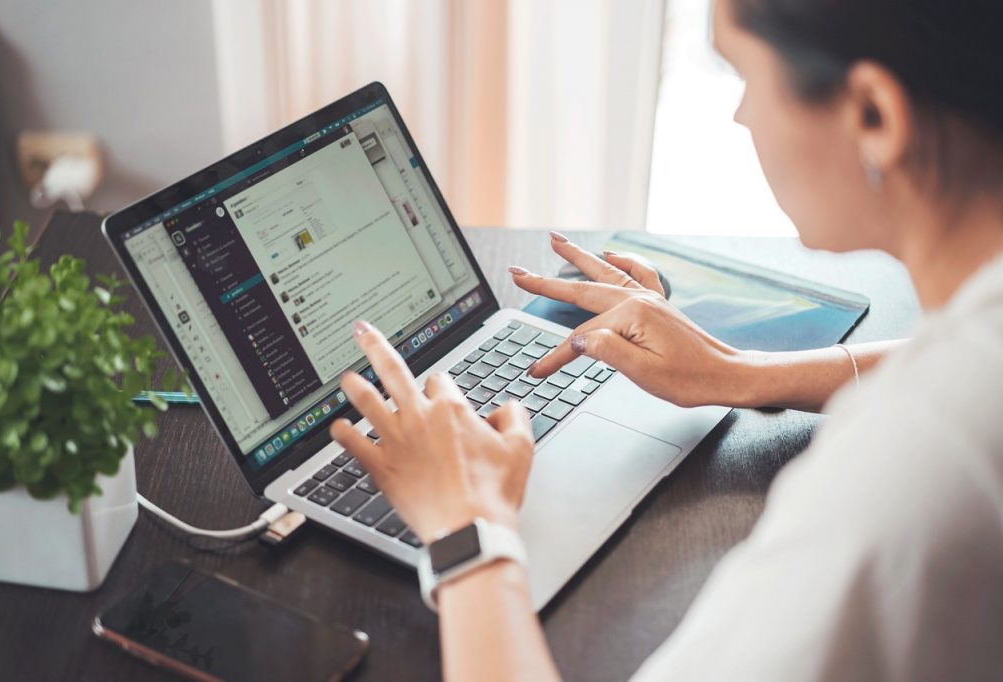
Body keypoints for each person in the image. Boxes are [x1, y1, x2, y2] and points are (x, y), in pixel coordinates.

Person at [330, 0, 1003, 679]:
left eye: (744, 74)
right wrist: (739, 372)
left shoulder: (903, 477)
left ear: (874, 116)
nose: (741, 115)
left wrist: (465, 529)